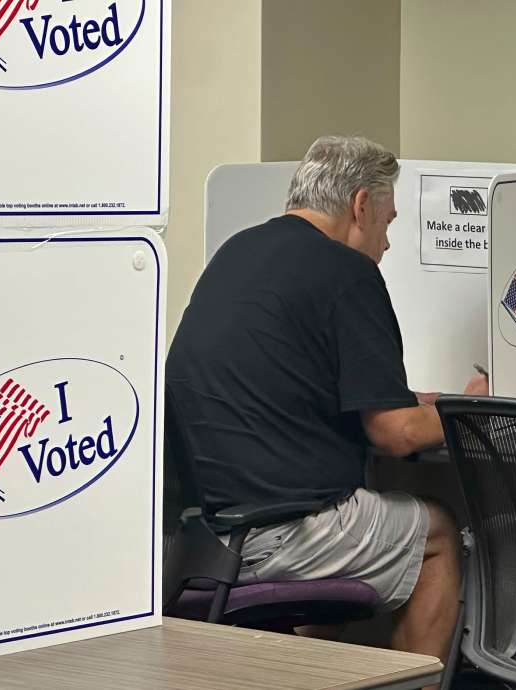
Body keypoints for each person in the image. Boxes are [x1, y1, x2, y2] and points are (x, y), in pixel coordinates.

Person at [165, 135, 486, 672]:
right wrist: (468, 411)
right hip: (278, 534)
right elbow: (395, 433)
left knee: (356, 513)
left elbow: (292, 377)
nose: (386, 243)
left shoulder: (239, 251)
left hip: (201, 535)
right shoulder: (347, 271)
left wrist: (420, 398)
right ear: (361, 205)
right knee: (437, 531)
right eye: (388, 221)